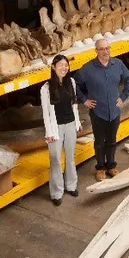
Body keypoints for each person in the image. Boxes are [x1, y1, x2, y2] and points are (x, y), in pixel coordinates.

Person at [76, 38, 129, 181]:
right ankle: (100, 168)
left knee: (112, 141)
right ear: (96, 51)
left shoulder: (118, 64)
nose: (105, 51)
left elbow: (128, 79)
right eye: (101, 49)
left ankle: (111, 166)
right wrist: (84, 100)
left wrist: (123, 96)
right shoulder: (88, 68)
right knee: (100, 142)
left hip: (114, 111)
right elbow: (74, 83)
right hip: (98, 112)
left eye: (107, 48)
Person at [39, 54, 81, 206]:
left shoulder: (71, 82)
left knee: (70, 157)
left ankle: (71, 185)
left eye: (66, 65)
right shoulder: (46, 88)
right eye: (61, 65)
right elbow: (45, 112)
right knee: (55, 159)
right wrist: (49, 132)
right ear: (53, 67)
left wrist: (77, 123)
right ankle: (57, 192)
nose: (64, 68)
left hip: (70, 124)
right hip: (55, 128)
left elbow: (74, 104)